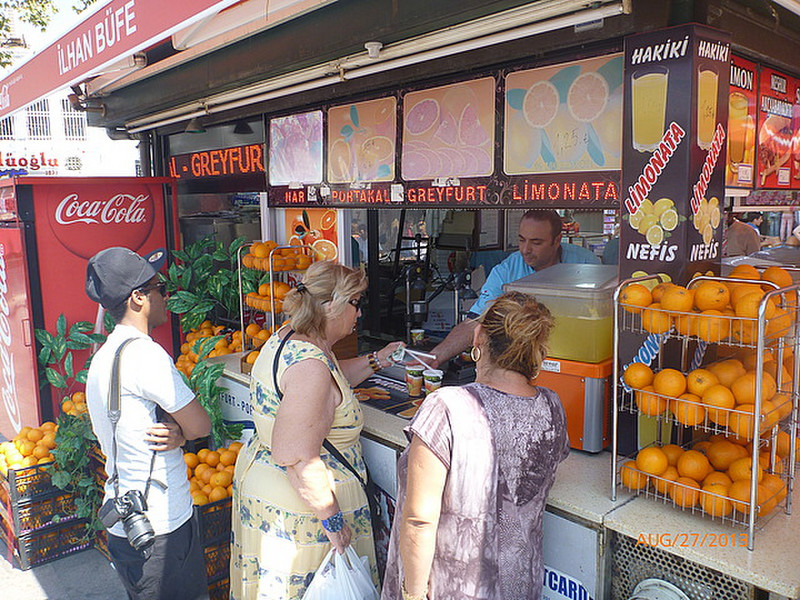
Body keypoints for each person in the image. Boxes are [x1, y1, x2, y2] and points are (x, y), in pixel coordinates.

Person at [230, 260, 404, 600]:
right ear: (332, 306)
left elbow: (333, 384)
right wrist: (334, 523)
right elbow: (298, 457)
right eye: (356, 304)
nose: (358, 315)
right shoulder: (310, 367)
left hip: (267, 489)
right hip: (303, 514)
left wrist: (378, 360)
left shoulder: (289, 339)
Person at [381, 291, 570, 600]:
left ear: (478, 336)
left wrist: (411, 594)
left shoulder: (447, 406)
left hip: (450, 588)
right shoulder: (552, 406)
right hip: (518, 585)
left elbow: (419, 519)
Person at [84, 247, 212, 600]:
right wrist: (183, 433)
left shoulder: (104, 355)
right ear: (138, 298)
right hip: (161, 523)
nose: (166, 296)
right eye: (160, 289)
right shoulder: (146, 355)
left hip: (127, 518)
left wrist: (176, 433)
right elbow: (200, 424)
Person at [429, 209, 599, 367]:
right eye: (521, 240)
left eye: (536, 242)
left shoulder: (586, 264)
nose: (525, 250)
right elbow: (475, 321)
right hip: (523, 361)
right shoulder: (507, 270)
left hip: (577, 359)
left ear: (557, 241)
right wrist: (434, 357)